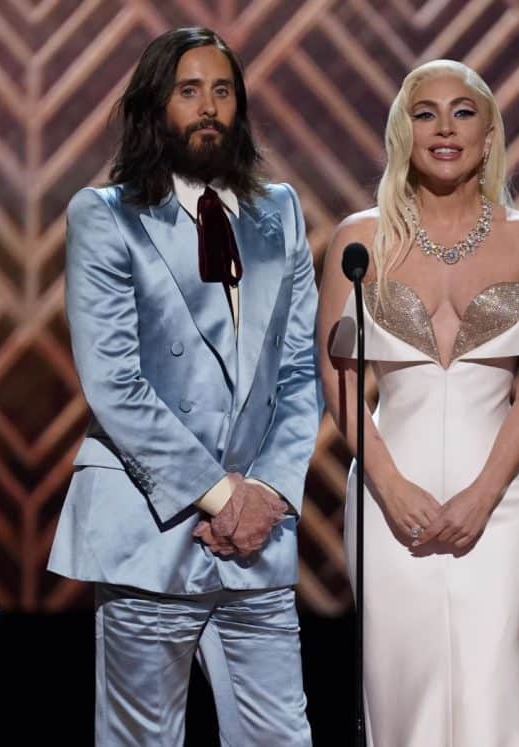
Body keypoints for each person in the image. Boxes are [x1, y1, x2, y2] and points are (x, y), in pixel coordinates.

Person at [47, 27, 318, 746]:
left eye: (222, 91)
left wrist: (268, 494)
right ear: (154, 106)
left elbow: (297, 374)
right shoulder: (105, 217)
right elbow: (115, 385)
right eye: (189, 91)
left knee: (281, 737)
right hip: (151, 525)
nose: (208, 108)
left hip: (258, 535)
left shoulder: (279, 213)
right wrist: (224, 495)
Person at [317, 60, 519, 746]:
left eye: (462, 111)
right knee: (403, 691)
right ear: (405, 132)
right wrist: (391, 487)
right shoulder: (360, 241)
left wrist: (483, 495)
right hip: (385, 498)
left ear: (489, 135)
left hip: (502, 503)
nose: (444, 128)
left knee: (488, 683)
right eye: (425, 113)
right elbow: (337, 376)